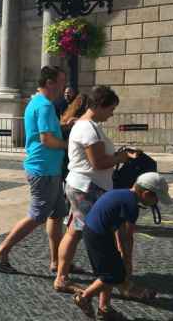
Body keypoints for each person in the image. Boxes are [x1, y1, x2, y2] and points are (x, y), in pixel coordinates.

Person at [54, 86, 137, 293]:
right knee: (98, 234)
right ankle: (112, 280)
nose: (112, 114)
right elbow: (98, 163)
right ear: (100, 105)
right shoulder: (88, 128)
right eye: (111, 109)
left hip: (83, 185)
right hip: (88, 188)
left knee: (74, 231)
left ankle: (62, 277)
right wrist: (122, 157)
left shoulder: (88, 125)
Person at [0, 66, 67, 274]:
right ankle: (2, 249)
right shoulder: (45, 106)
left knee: (58, 214)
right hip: (44, 169)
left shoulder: (36, 103)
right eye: (61, 82)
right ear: (49, 83)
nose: (63, 87)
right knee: (38, 215)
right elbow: (47, 139)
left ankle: (57, 261)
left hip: (49, 168)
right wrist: (69, 144)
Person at [73, 172, 172, 321]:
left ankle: (104, 308)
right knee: (113, 275)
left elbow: (119, 230)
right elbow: (127, 237)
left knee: (110, 272)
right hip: (98, 237)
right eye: (156, 198)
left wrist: (121, 256)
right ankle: (84, 297)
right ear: (146, 194)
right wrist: (127, 261)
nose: (156, 203)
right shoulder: (131, 205)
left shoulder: (122, 194)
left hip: (95, 233)